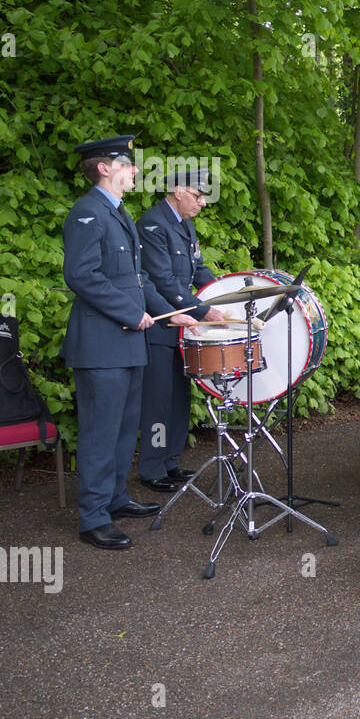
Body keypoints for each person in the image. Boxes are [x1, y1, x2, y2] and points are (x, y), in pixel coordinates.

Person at [62, 135, 197, 549]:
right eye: (128, 163)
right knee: (101, 433)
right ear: (104, 167)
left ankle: (116, 498)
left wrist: (168, 312)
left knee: (123, 431)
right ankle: (93, 517)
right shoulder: (88, 213)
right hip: (103, 346)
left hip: (128, 344)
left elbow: (138, 281)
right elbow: (82, 276)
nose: (135, 170)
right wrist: (130, 313)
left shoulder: (118, 213)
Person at [136, 167, 225, 491]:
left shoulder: (184, 224)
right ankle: (152, 467)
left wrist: (223, 292)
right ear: (178, 190)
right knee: (158, 400)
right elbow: (164, 281)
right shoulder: (152, 224)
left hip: (183, 326)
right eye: (198, 196)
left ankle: (170, 460)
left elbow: (198, 268)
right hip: (161, 325)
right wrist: (204, 310)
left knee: (178, 397)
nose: (202, 203)